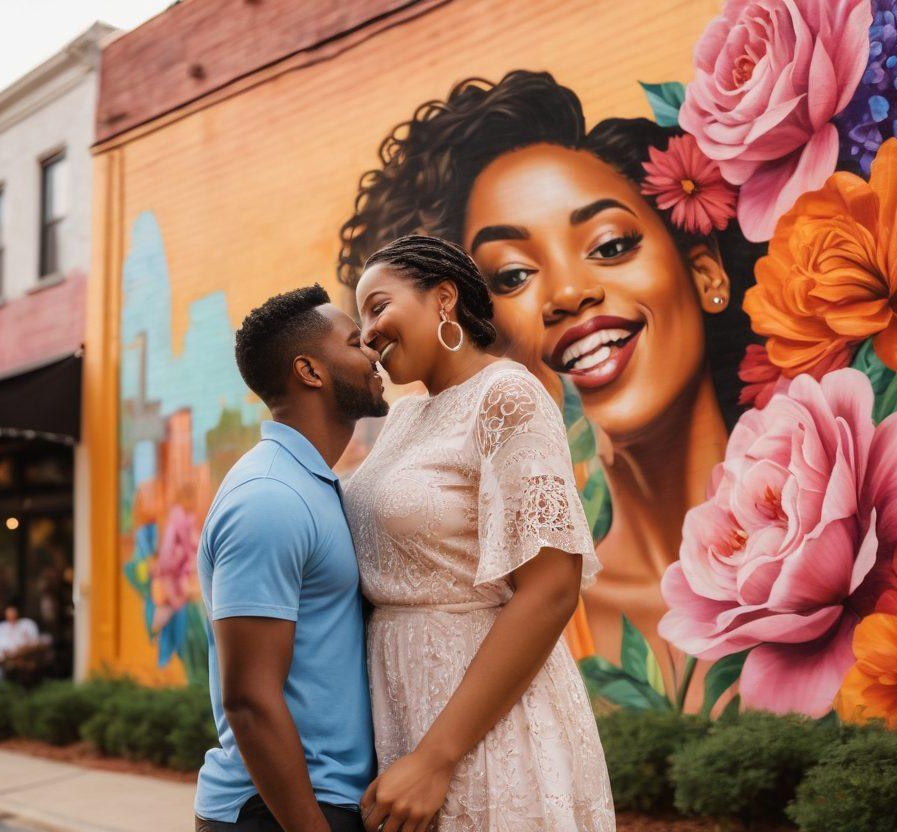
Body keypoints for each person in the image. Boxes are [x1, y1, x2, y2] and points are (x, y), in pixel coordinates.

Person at [338, 70, 763, 690]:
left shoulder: (851, 533)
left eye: (610, 244)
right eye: (512, 276)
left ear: (706, 274)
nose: (567, 294)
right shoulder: (518, 603)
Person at [347, 235, 614, 830]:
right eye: (360, 317)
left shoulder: (507, 395)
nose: (367, 333)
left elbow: (550, 591)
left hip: (483, 731)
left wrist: (437, 757)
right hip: (404, 709)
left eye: (378, 306)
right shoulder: (406, 417)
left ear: (443, 299)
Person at [194, 285, 388, 832]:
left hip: (322, 803)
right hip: (282, 812)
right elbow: (250, 699)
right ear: (310, 371)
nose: (373, 351)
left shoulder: (312, 484)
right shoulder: (269, 498)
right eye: (354, 341)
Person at [0, 599, 41, 686]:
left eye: (13, 612)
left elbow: (35, 644)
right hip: (1, 658)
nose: (11, 615)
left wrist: (23, 648)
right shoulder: (0, 627)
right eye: (9, 613)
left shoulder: (27, 624)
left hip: (22, 659)